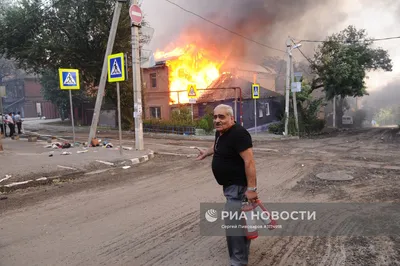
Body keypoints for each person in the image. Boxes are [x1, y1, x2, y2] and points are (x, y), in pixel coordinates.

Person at [196, 104, 258, 266]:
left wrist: (251, 189)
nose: (217, 120)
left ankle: (238, 262)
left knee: (234, 226)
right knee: (240, 223)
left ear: (232, 118)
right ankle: (240, 257)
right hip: (230, 187)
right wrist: (206, 152)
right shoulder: (221, 133)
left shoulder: (239, 134)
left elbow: (249, 161)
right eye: (215, 117)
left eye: (221, 117)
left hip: (238, 187)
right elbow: (217, 147)